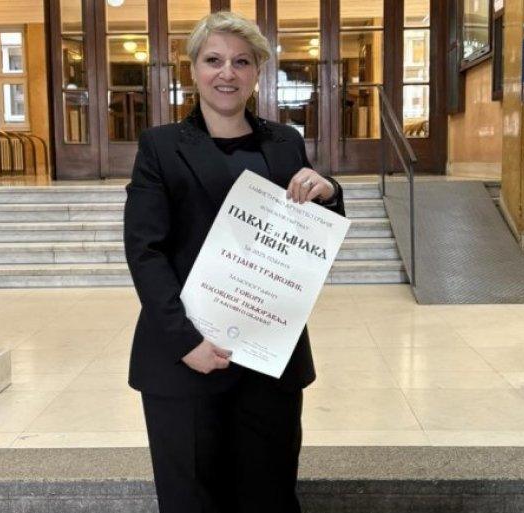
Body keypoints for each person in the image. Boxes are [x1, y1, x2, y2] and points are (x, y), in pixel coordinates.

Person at [123, 10, 345, 513]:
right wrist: (186, 341)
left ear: (257, 72)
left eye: (241, 61)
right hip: (188, 357)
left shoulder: (285, 142)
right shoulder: (160, 146)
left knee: (269, 495)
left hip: (269, 359)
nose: (227, 72)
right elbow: (145, 251)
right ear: (193, 69)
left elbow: (310, 230)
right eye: (214, 60)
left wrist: (328, 192)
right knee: (192, 499)